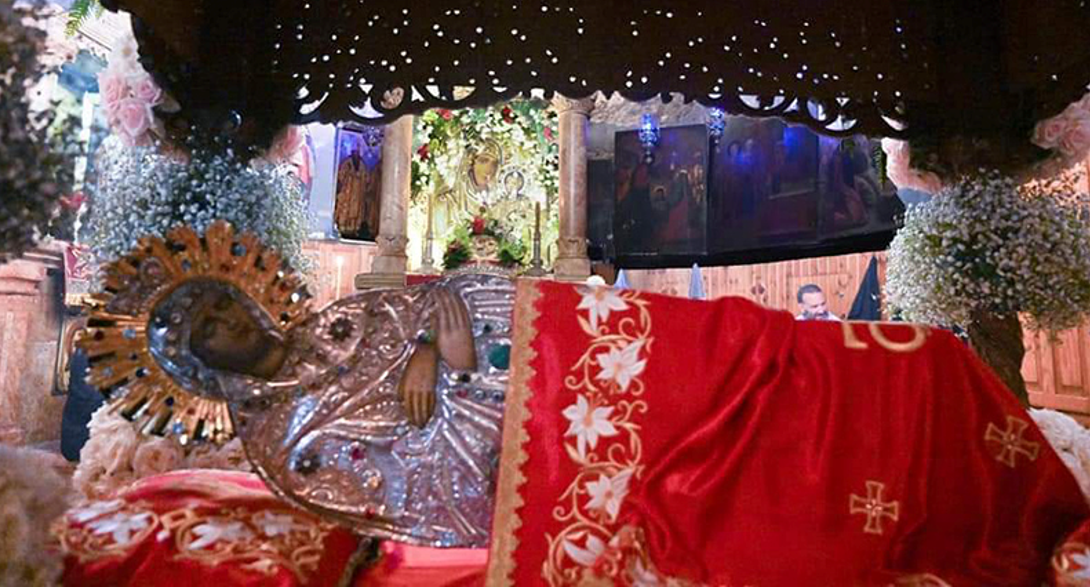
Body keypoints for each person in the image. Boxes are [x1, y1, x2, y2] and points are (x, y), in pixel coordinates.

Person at [86, 224, 1090, 585]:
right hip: (538, 456)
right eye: (203, 325)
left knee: (748, 351)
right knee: (714, 491)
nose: (227, 318)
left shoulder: (338, 316)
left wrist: (439, 347)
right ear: (193, 367)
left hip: (572, 359)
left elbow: (455, 299)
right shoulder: (280, 442)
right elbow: (406, 500)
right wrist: (454, 390)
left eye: (221, 299)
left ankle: (906, 395)